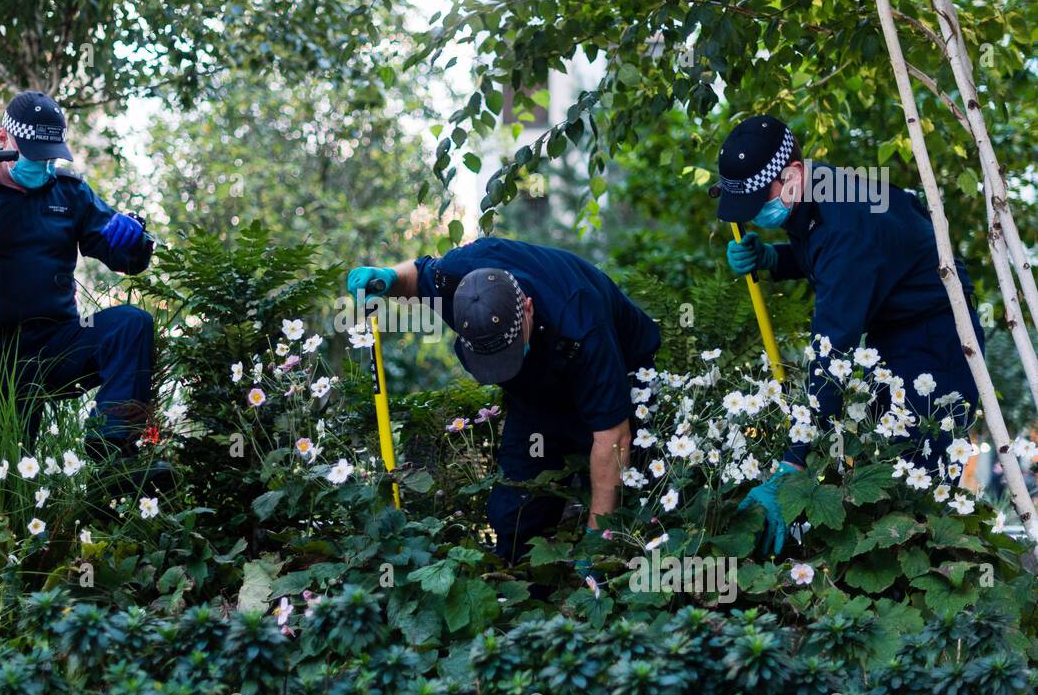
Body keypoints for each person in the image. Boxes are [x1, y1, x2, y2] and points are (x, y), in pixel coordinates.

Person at [715, 114, 985, 553]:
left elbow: (832, 351)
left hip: (940, 338)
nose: (754, 216)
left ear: (793, 175)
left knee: (920, 478)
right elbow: (819, 255)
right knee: (880, 468)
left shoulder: (849, 222)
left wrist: (792, 465)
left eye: (755, 202)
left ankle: (940, 592)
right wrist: (772, 259)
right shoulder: (815, 188)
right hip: (892, 328)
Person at [347, 237, 660, 562]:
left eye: (506, 353)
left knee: (633, 501)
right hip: (538, 391)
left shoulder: (581, 324)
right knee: (515, 513)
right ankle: (528, 588)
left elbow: (613, 438)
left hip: (623, 375)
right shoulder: (455, 277)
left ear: (527, 308)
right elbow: (415, 276)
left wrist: (598, 547)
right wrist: (387, 277)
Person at [0, 90, 159, 466]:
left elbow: (125, 258)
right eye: (33, 153)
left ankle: (113, 449)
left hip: (54, 343)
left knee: (132, 324)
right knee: (5, 475)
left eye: (51, 155)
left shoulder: (70, 193)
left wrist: (134, 238)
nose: (43, 164)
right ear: (4, 140)